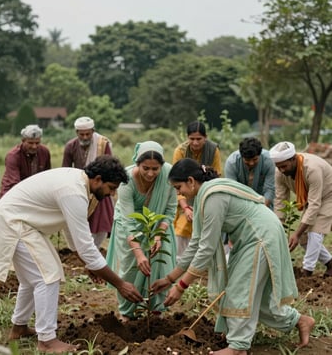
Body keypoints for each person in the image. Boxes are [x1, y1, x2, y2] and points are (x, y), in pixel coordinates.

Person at [0, 155, 143, 354]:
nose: (112, 194)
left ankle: (19, 328)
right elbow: (86, 246)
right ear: (97, 179)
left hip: (21, 223)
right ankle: (46, 340)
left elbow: (73, 233)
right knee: (47, 277)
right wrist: (120, 284)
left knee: (35, 279)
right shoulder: (74, 192)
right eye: (111, 187)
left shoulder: (79, 184)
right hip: (14, 223)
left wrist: (88, 263)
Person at [151, 158, 315, 355]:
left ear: (191, 181)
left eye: (179, 187)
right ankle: (299, 320)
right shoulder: (204, 197)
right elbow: (196, 243)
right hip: (251, 240)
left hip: (260, 237)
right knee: (255, 296)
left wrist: (181, 286)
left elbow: (207, 248)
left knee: (240, 291)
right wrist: (170, 279)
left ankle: (238, 347)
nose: (179, 194)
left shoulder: (213, 197)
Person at [106, 141, 177, 322]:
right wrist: (138, 254)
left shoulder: (169, 175)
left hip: (158, 224)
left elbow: (170, 210)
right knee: (130, 268)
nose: (151, 173)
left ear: (162, 166)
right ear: (137, 164)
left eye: (156, 169)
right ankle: (127, 312)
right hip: (129, 225)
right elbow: (130, 222)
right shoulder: (126, 181)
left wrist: (159, 235)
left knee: (158, 266)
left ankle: (155, 311)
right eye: (146, 168)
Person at [269, 141, 332, 277]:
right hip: (312, 198)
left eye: (284, 166)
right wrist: (279, 227)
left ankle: (306, 272)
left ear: (293, 159)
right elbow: (280, 200)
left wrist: (295, 233)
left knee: (315, 232)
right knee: (304, 238)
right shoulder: (280, 172)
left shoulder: (312, 169)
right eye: (278, 167)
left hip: (328, 195)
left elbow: (315, 204)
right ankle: (330, 263)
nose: (282, 170)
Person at [172, 121, 222, 260]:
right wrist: (186, 207)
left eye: (199, 139)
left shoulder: (213, 150)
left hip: (205, 194)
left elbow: (216, 176)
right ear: (187, 138)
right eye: (192, 139)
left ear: (205, 137)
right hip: (184, 197)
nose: (195, 143)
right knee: (182, 228)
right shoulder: (180, 151)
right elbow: (176, 181)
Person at [62, 116, 113, 249]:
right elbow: (65, 170)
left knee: (101, 222)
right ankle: (83, 250)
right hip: (79, 188)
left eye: (88, 134)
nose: (85, 137)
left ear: (93, 131)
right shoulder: (70, 146)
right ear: (76, 133)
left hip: (99, 188)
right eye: (82, 134)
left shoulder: (103, 144)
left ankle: (94, 249)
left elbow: (109, 166)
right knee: (80, 222)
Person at [0, 124, 51, 197]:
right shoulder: (13, 156)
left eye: (37, 143)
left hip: (35, 192)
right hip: (12, 193)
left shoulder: (45, 152)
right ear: (23, 141)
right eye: (30, 143)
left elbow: (47, 177)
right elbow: (14, 183)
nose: (34, 146)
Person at [224, 137, 275, 208]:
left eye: (255, 159)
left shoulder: (269, 160)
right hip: (240, 204)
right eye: (247, 160)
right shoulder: (232, 163)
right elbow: (233, 191)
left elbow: (270, 189)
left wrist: (262, 211)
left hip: (264, 204)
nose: (251, 163)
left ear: (259, 155)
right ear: (242, 156)